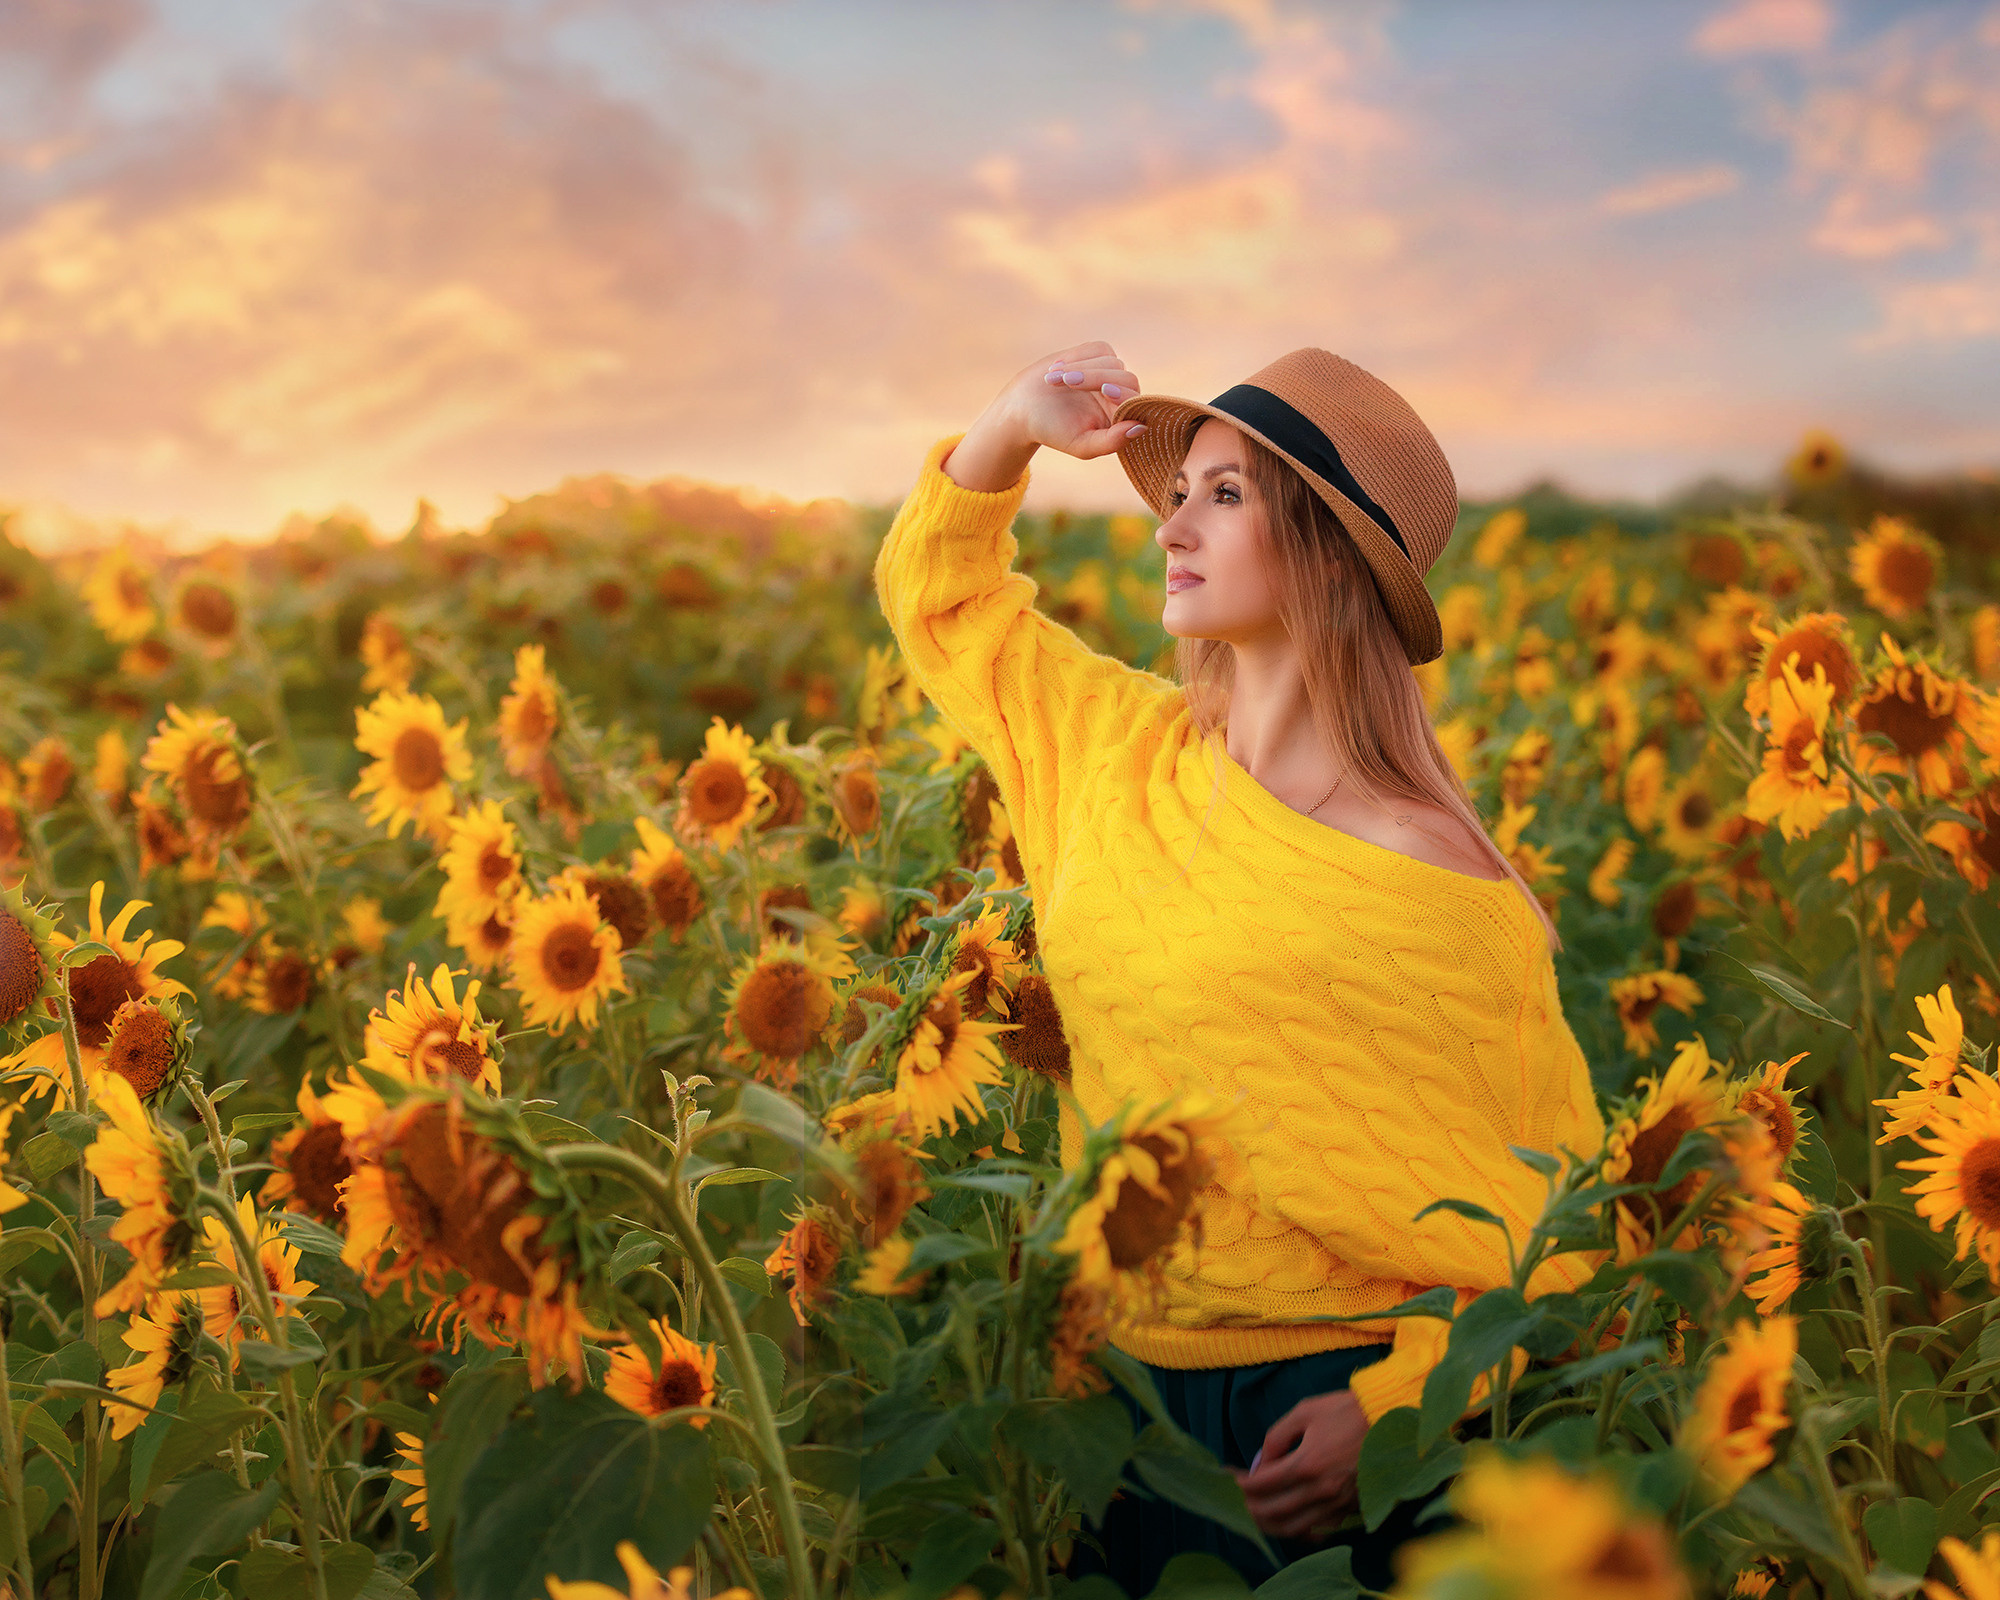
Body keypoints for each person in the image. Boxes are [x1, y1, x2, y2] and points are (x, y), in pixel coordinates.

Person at [872, 341, 1606, 1592]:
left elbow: (1557, 1212)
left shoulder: (1438, 880)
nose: (1172, 528)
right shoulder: (1108, 750)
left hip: (1334, 1406)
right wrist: (1007, 426)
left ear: (1325, 548)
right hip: (1119, 1398)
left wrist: (1399, 1403)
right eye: (1176, 492)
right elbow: (943, 604)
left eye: (1223, 495)